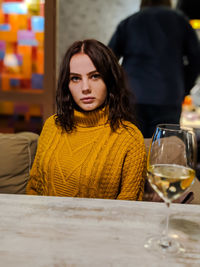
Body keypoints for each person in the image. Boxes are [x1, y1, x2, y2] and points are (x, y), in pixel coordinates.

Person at [26, 39, 146, 200]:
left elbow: (129, 208)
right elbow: (34, 189)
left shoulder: (130, 138)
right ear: (66, 85)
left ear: (110, 80)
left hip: (101, 225)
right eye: (75, 78)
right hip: (45, 223)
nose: (85, 88)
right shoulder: (52, 126)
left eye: (95, 76)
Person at [108, 0, 200, 138]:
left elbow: (108, 60)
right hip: (168, 96)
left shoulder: (129, 22)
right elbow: (196, 59)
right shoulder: (180, 21)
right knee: (165, 150)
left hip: (132, 95)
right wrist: (184, 88)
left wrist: (117, 90)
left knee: (131, 148)